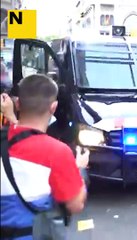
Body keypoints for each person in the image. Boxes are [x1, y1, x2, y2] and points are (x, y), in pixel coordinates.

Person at [0, 74, 88, 239]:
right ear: (53, 107)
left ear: (17, 104)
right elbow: (75, 205)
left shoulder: (5, 141)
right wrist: (80, 169)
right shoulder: (57, 152)